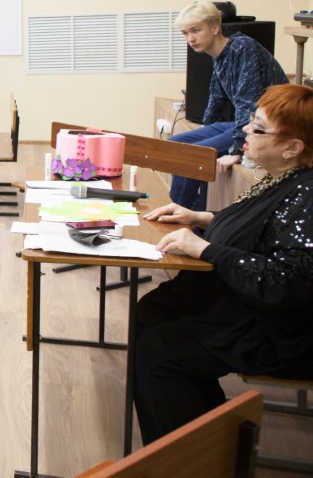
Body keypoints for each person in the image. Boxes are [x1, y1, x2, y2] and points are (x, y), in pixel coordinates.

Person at [134, 83, 313, 444]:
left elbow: (284, 281)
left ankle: (189, 458)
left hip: (279, 331)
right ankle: (210, 439)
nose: (245, 130)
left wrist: (206, 249)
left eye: (258, 128)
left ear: (293, 148)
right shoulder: (286, 179)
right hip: (252, 308)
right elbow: (262, 230)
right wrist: (200, 217)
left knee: (159, 350)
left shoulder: (306, 194)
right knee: (150, 313)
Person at [169, 1, 288, 209]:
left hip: (268, 130)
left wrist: (237, 149)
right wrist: (207, 129)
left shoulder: (242, 48)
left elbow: (247, 101)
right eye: (185, 33)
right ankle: (191, 212)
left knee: (193, 155)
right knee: (173, 146)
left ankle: (179, 214)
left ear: (215, 27)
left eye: (195, 30)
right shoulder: (220, 56)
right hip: (243, 124)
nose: (190, 39)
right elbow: (216, 98)